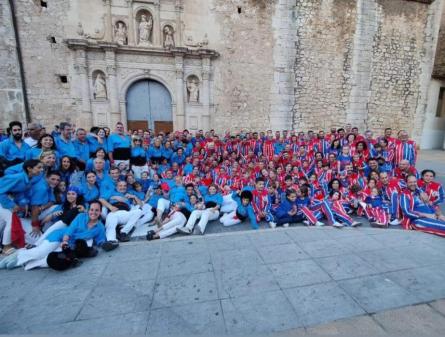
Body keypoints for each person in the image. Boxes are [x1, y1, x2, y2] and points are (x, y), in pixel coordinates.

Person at [2, 200, 108, 270]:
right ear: (88, 210)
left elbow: (101, 240)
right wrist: (65, 241)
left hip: (69, 245)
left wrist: (104, 245)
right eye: (92, 209)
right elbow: (70, 230)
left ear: (100, 212)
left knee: (47, 259)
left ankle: (25, 261)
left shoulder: (99, 227)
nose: (93, 212)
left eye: (97, 210)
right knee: (41, 252)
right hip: (60, 236)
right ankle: (17, 258)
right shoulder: (81, 216)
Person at [0, 160, 44, 255]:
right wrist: (12, 205)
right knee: (11, 220)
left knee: (3, 222)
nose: (41, 170)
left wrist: (23, 204)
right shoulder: (17, 177)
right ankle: (6, 246)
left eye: (42, 167)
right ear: (29, 168)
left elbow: (20, 193)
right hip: (3, 200)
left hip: (7, 200)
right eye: (39, 167)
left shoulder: (29, 179)